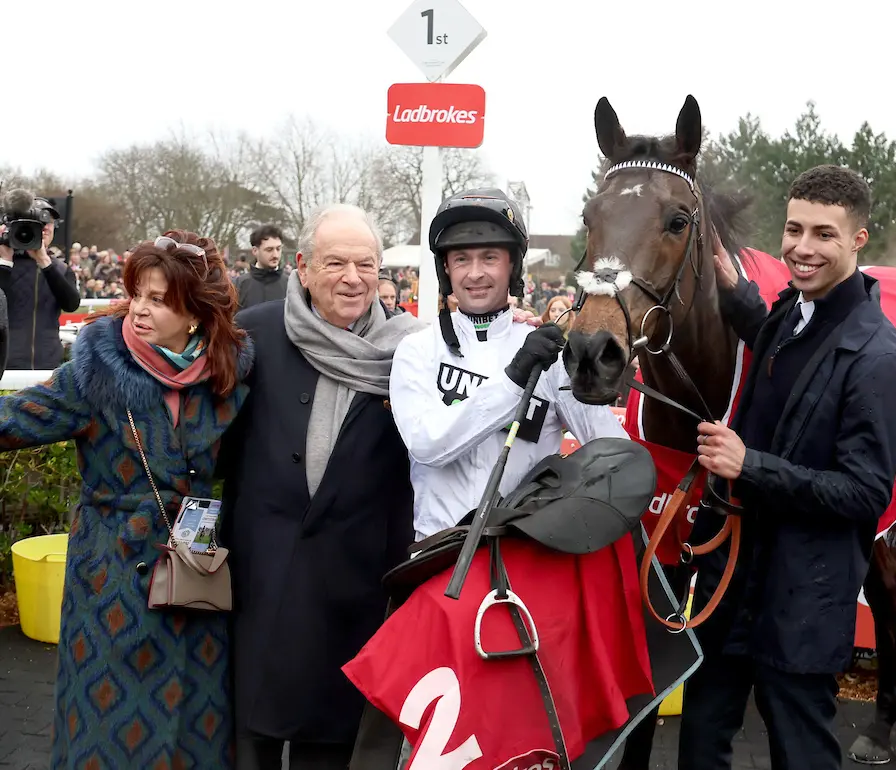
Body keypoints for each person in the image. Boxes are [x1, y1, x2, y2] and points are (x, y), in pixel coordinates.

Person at [680, 165, 896, 770]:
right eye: (793, 230)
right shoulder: (793, 310)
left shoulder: (880, 358)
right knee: (699, 743)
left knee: (801, 754)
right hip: (733, 583)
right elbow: (783, 351)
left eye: (823, 234)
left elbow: (865, 494)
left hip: (802, 597)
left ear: (858, 239)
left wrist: (749, 465)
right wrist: (737, 296)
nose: (802, 248)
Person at [0, 230, 252, 767]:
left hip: (197, 573)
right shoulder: (97, 373)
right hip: (110, 579)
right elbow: (15, 418)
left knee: (194, 730)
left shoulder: (229, 376)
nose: (139, 308)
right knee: (106, 734)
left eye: (158, 299)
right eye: (137, 293)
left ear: (195, 313)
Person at [219, 204, 423, 769]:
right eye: (336, 263)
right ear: (303, 267)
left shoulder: (412, 350)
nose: (353, 278)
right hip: (261, 580)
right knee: (250, 743)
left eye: (366, 264)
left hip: (354, 590)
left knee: (330, 748)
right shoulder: (253, 332)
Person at [389, 188, 626, 542]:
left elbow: (615, 454)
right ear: (446, 268)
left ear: (512, 264)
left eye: (489, 258)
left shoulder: (550, 357)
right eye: (461, 259)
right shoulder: (416, 351)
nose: (475, 274)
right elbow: (427, 446)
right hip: (438, 556)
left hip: (525, 562)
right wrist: (514, 379)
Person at [0, 193, 82, 369]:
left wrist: (45, 262)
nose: (44, 227)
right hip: (5, 367)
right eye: (36, 222)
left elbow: (71, 305)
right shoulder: (4, 264)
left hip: (47, 366)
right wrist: (5, 262)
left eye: (48, 222)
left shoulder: (60, 269)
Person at [233, 224, 286, 308]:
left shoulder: (292, 284)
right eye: (269, 250)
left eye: (278, 249)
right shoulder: (238, 285)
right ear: (255, 251)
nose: (275, 255)